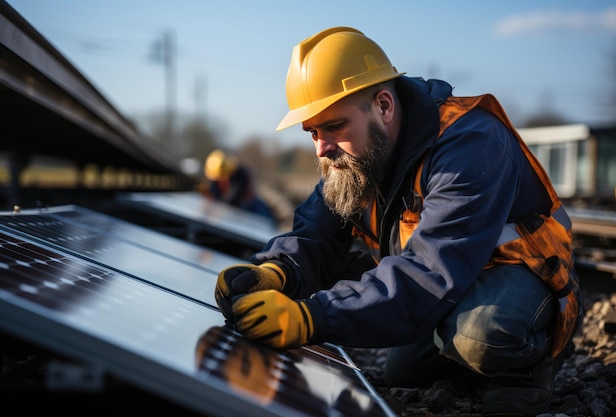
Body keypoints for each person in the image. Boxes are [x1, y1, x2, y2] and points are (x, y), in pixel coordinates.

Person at [214, 27, 583, 416]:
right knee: (406, 370)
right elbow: (316, 232)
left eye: (334, 126)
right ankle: (476, 355)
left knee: (482, 339)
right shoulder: (357, 155)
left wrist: (312, 317)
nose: (322, 148)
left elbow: (430, 272)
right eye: (313, 132)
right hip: (456, 275)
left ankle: (532, 358)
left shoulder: (470, 144)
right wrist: (276, 272)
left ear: (384, 106)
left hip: (521, 272)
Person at [199, 148, 276, 223]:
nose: (221, 180)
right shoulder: (215, 177)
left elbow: (233, 199)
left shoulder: (241, 175)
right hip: (228, 209)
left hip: (250, 208)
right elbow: (213, 194)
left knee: (264, 221)